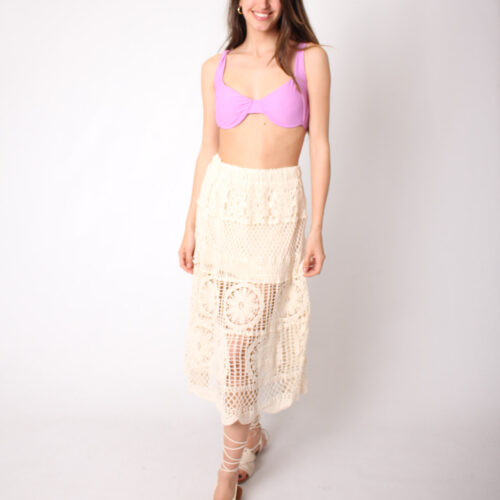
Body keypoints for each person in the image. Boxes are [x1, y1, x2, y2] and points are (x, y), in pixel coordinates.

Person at [178, 1, 331, 498]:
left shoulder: (309, 60)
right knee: (234, 338)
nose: (262, 3)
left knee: (245, 339)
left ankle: (226, 474)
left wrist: (317, 229)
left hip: (277, 212)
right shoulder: (215, 67)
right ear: (238, 2)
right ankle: (252, 434)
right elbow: (208, 148)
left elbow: (320, 144)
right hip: (223, 208)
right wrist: (190, 225)